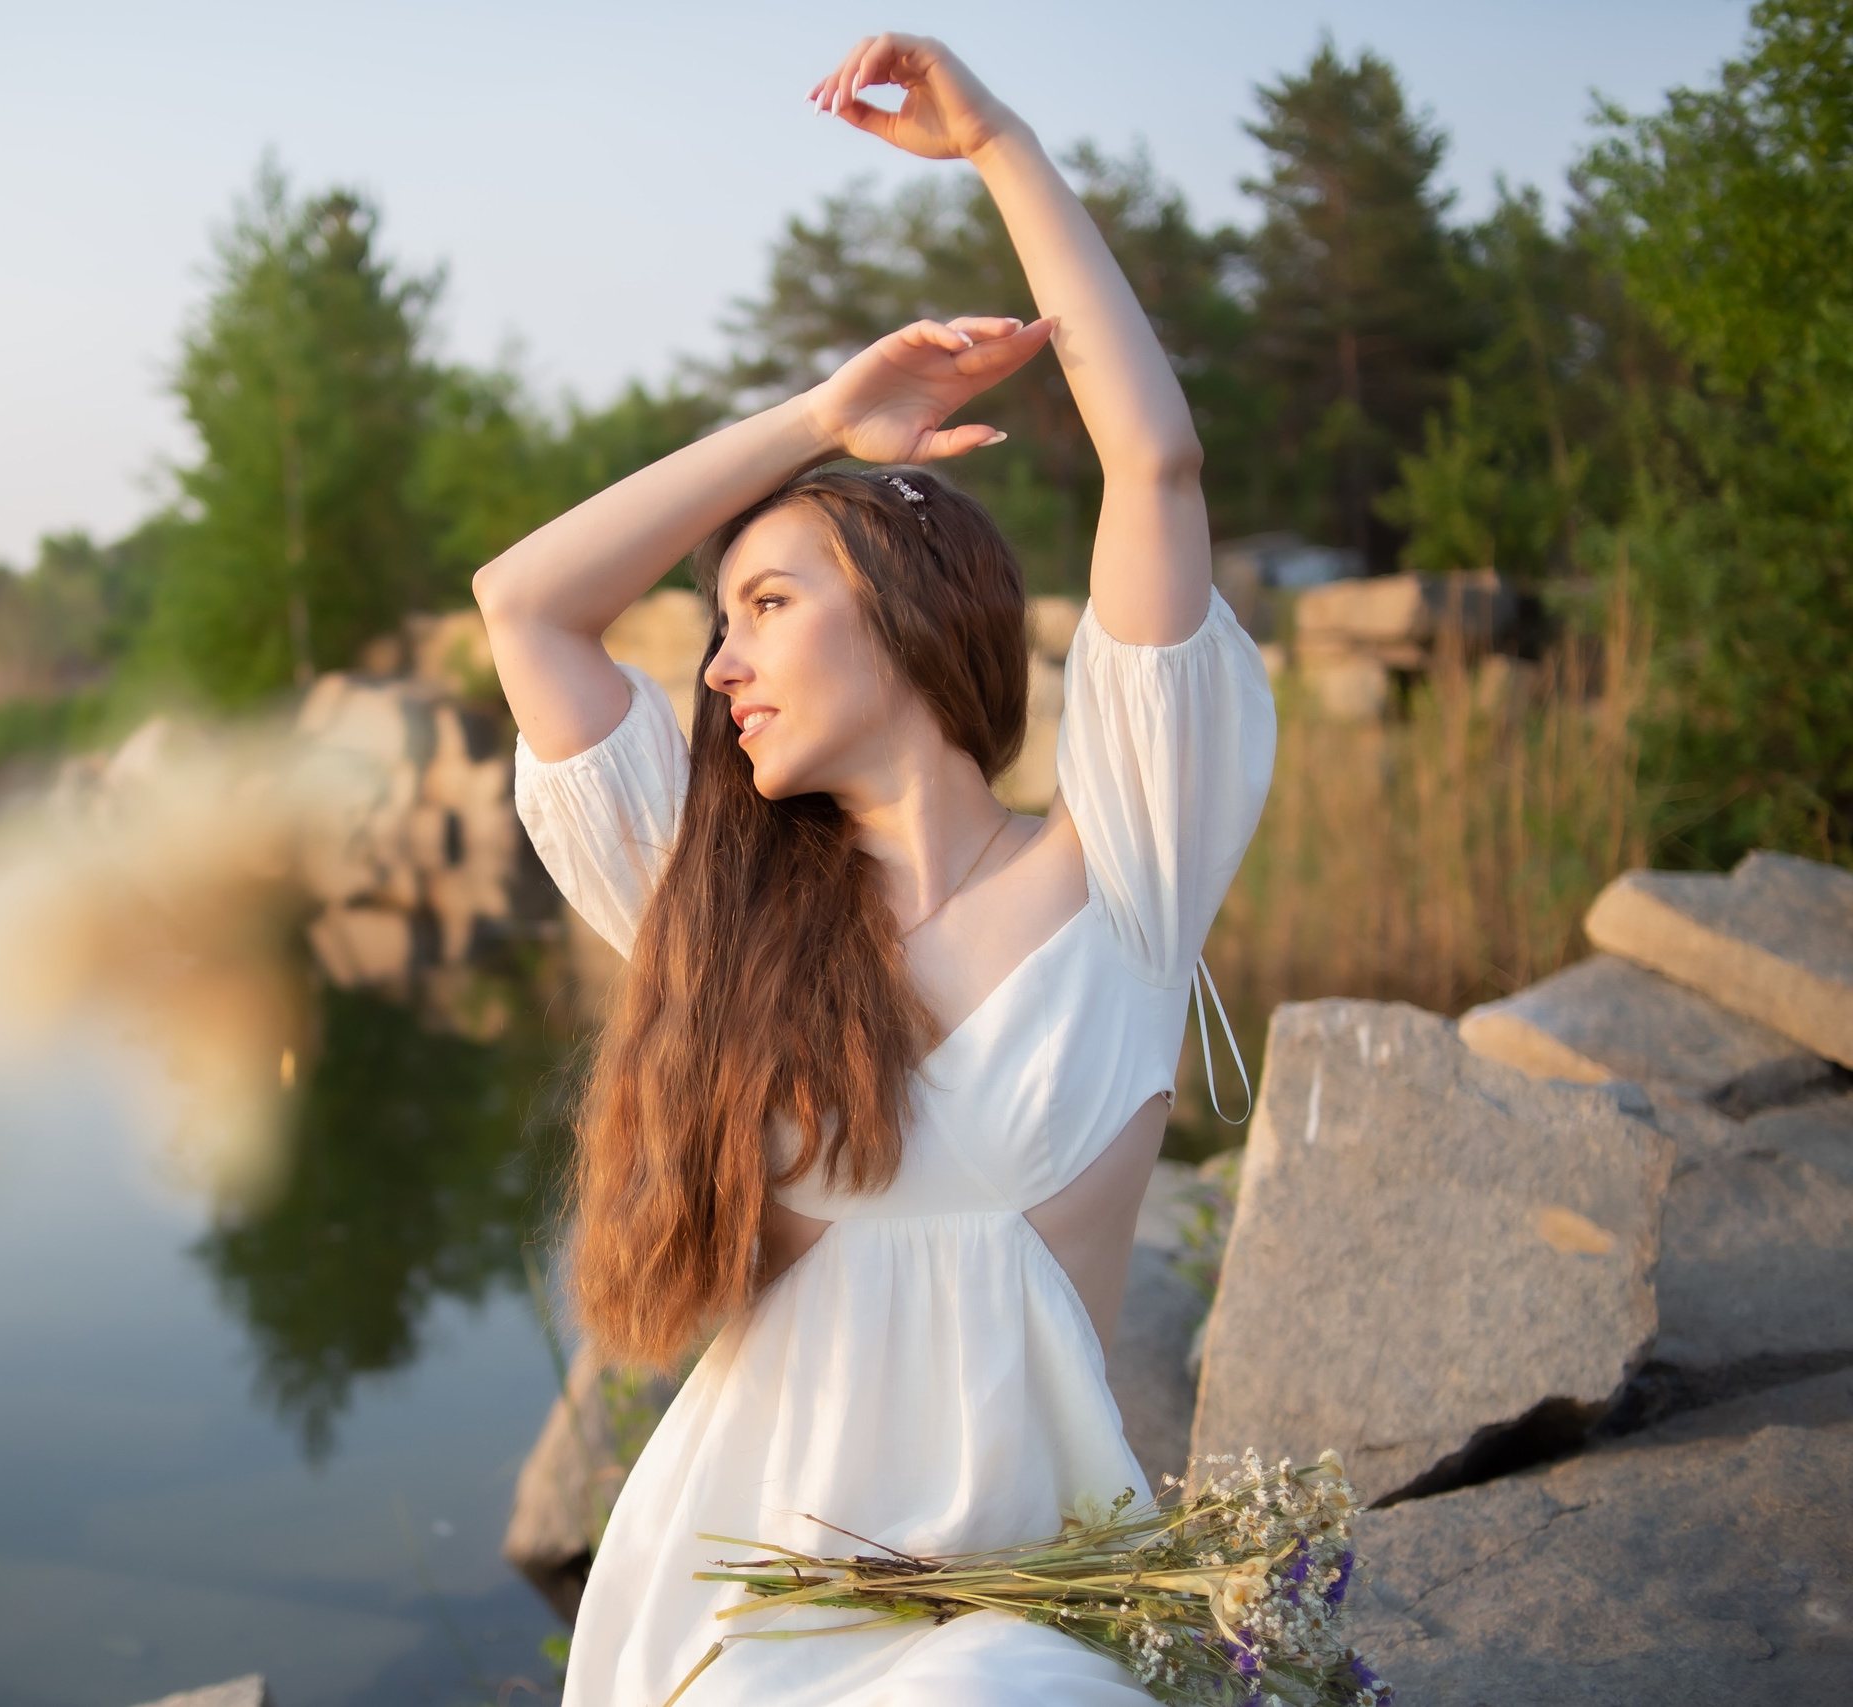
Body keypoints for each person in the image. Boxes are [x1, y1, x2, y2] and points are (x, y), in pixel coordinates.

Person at [474, 32, 1276, 1706]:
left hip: (1031, 1625)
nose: (721, 664)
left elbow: (1157, 464)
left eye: (768, 605)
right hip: (742, 1618)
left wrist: (1001, 146)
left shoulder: (1130, 873)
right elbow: (528, 605)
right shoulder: (715, 911)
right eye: (720, 621)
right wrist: (820, 421)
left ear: (907, 611)